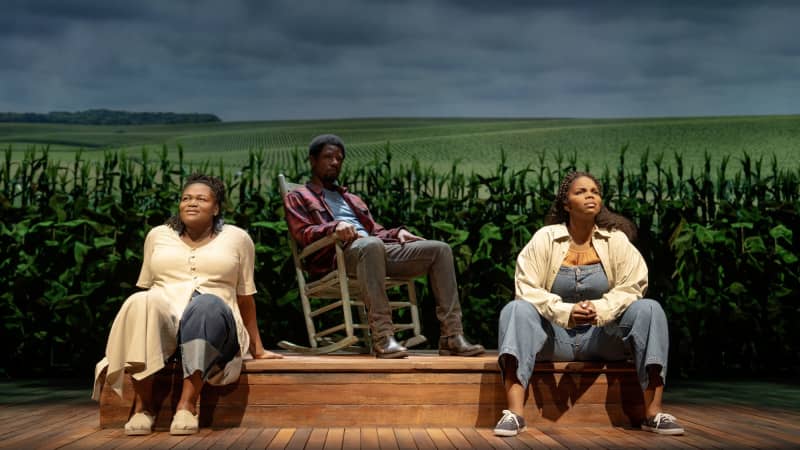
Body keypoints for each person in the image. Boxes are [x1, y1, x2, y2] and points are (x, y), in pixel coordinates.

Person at [493, 171, 684, 437]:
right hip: (553, 339)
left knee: (650, 308)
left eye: (594, 191)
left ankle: (653, 414)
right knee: (515, 309)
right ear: (566, 204)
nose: (590, 195)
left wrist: (601, 310)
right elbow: (527, 289)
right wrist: (567, 312)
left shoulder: (615, 241)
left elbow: (633, 286)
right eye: (580, 192)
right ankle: (514, 414)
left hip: (602, 338)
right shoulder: (545, 238)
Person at [92, 173, 282, 436]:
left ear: (216, 208)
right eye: (186, 198)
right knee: (140, 301)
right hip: (166, 317)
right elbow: (147, 287)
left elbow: (245, 296)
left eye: (201, 199)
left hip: (216, 320)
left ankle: (187, 404)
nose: (192, 203)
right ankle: (143, 406)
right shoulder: (158, 235)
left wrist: (258, 349)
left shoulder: (238, 239)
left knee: (204, 305)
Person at [284, 134, 485, 358]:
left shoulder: (351, 198)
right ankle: (382, 337)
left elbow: (375, 232)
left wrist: (398, 232)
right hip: (338, 256)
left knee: (440, 249)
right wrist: (333, 228)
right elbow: (303, 234)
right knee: (370, 245)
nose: (335, 162)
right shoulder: (298, 196)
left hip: (373, 249)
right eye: (328, 157)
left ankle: (452, 336)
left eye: (339, 158)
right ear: (313, 160)